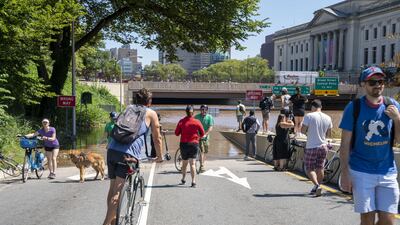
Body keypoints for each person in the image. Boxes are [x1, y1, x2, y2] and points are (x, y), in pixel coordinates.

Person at [339, 66, 400, 225]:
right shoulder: (354, 108)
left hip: (387, 171)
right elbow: (344, 144)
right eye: (373, 82)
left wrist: (397, 119)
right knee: (367, 218)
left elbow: (399, 141)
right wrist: (345, 173)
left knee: (389, 219)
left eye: (381, 81)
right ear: (363, 85)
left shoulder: (392, 105)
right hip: (361, 171)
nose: (378, 85)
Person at [103, 88, 163, 225]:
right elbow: (157, 138)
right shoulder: (151, 113)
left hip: (111, 149)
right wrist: (159, 157)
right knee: (117, 192)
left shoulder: (128, 108)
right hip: (127, 155)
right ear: (149, 101)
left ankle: (112, 221)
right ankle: (106, 223)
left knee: (112, 189)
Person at [301, 99, 332, 197]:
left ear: (312, 107)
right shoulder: (328, 117)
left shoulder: (309, 116)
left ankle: (317, 185)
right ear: (321, 107)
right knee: (320, 167)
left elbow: (302, 131)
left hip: (312, 146)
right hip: (323, 146)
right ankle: (317, 187)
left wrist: (309, 133)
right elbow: (329, 134)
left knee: (309, 168)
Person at [175, 105, 205, 187]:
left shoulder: (181, 121)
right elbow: (202, 133)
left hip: (184, 144)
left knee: (184, 163)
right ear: (193, 112)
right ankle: (193, 182)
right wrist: (197, 138)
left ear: (186, 112)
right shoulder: (197, 121)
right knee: (193, 163)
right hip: (194, 144)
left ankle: (183, 179)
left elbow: (176, 133)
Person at [194, 105, 214, 173]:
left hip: (206, 137)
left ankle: (202, 163)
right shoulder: (196, 117)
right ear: (200, 110)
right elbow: (193, 126)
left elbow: (211, 127)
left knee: (205, 151)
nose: (204, 111)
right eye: (202, 109)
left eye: (205, 109)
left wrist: (205, 134)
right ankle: (202, 166)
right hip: (198, 137)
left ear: (207, 110)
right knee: (201, 151)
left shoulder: (209, 117)